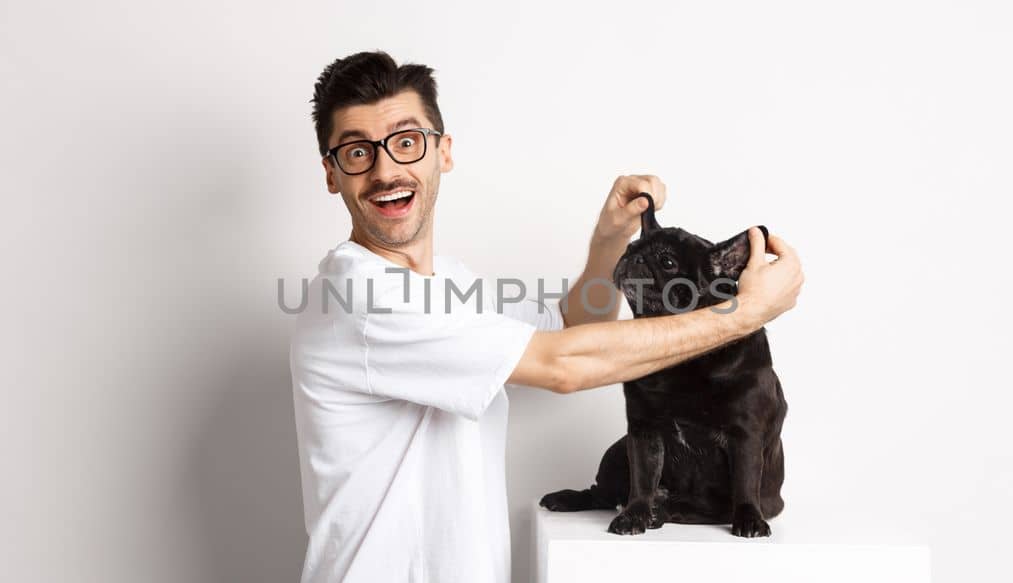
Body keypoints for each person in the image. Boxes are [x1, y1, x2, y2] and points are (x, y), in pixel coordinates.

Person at [288, 50, 805, 583]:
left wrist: (610, 239)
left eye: (406, 141)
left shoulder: (448, 282)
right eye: (356, 152)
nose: (386, 169)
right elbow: (564, 366)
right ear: (331, 174)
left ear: (443, 152)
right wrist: (743, 314)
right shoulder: (358, 296)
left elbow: (573, 329)